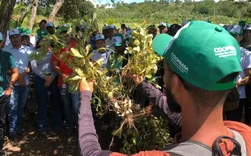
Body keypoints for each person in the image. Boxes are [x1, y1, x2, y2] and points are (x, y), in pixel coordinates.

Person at [78, 21, 251, 156]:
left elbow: (90, 151)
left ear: (174, 83)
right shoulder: (243, 133)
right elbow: (175, 114)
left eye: (165, 68)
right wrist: (142, 83)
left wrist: (86, 95)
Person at [2, 28, 32, 143]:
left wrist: (22, 76)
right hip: (12, 84)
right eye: (13, 37)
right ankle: (12, 131)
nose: (15, 38)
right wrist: (19, 79)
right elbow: (5, 69)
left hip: (26, 83)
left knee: (20, 107)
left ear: (21, 37)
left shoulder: (29, 50)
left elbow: (30, 67)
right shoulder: (5, 51)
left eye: (17, 36)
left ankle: (17, 127)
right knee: (12, 107)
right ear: (10, 38)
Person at [30, 40, 61, 134]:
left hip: (53, 78)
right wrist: (45, 77)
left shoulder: (54, 52)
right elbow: (34, 67)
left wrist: (51, 77)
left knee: (56, 102)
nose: (44, 44)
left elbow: (57, 66)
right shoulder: (35, 53)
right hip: (40, 79)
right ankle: (41, 126)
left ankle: (58, 125)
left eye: (46, 41)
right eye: (42, 42)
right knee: (42, 102)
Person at [52, 34, 79, 134]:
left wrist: (70, 76)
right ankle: (70, 126)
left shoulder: (77, 47)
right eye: (62, 36)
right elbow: (54, 65)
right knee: (66, 105)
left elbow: (80, 64)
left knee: (76, 106)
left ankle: (78, 127)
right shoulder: (57, 49)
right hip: (62, 82)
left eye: (67, 35)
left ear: (71, 36)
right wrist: (63, 75)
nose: (65, 38)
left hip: (74, 82)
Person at [225, 24, 251, 123]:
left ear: (240, 37)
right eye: (230, 35)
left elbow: (248, 77)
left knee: (234, 123)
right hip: (222, 94)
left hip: (239, 95)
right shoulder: (221, 51)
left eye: (235, 35)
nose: (232, 38)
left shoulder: (246, 54)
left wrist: (236, 84)